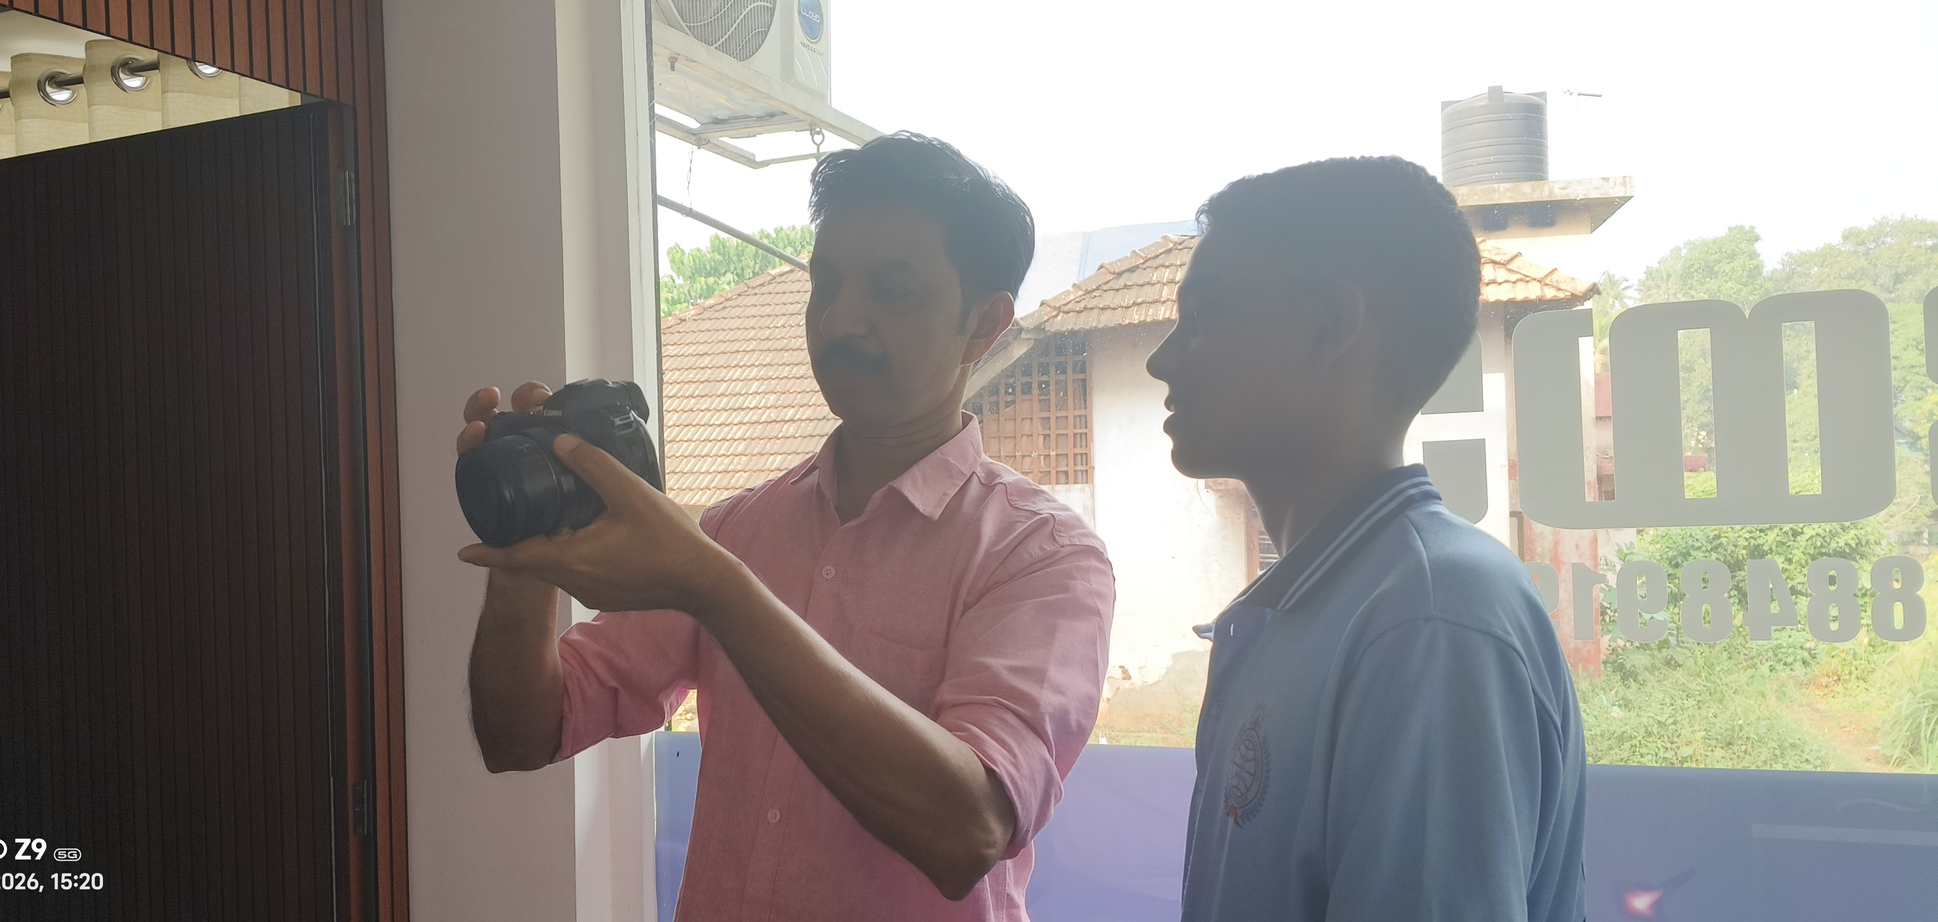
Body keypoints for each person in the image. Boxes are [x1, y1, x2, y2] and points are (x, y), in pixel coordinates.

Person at [456, 133, 1115, 921]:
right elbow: (522, 735)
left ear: (983, 325)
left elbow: (967, 828)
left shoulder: (1041, 556)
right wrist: (523, 556)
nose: (839, 320)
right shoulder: (740, 529)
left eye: (893, 292)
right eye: (825, 284)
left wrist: (718, 590)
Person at [1149, 157, 1586, 921]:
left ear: (1331, 325)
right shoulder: (1315, 604)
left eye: (1206, 313)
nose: (1162, 359)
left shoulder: (1430, 617)